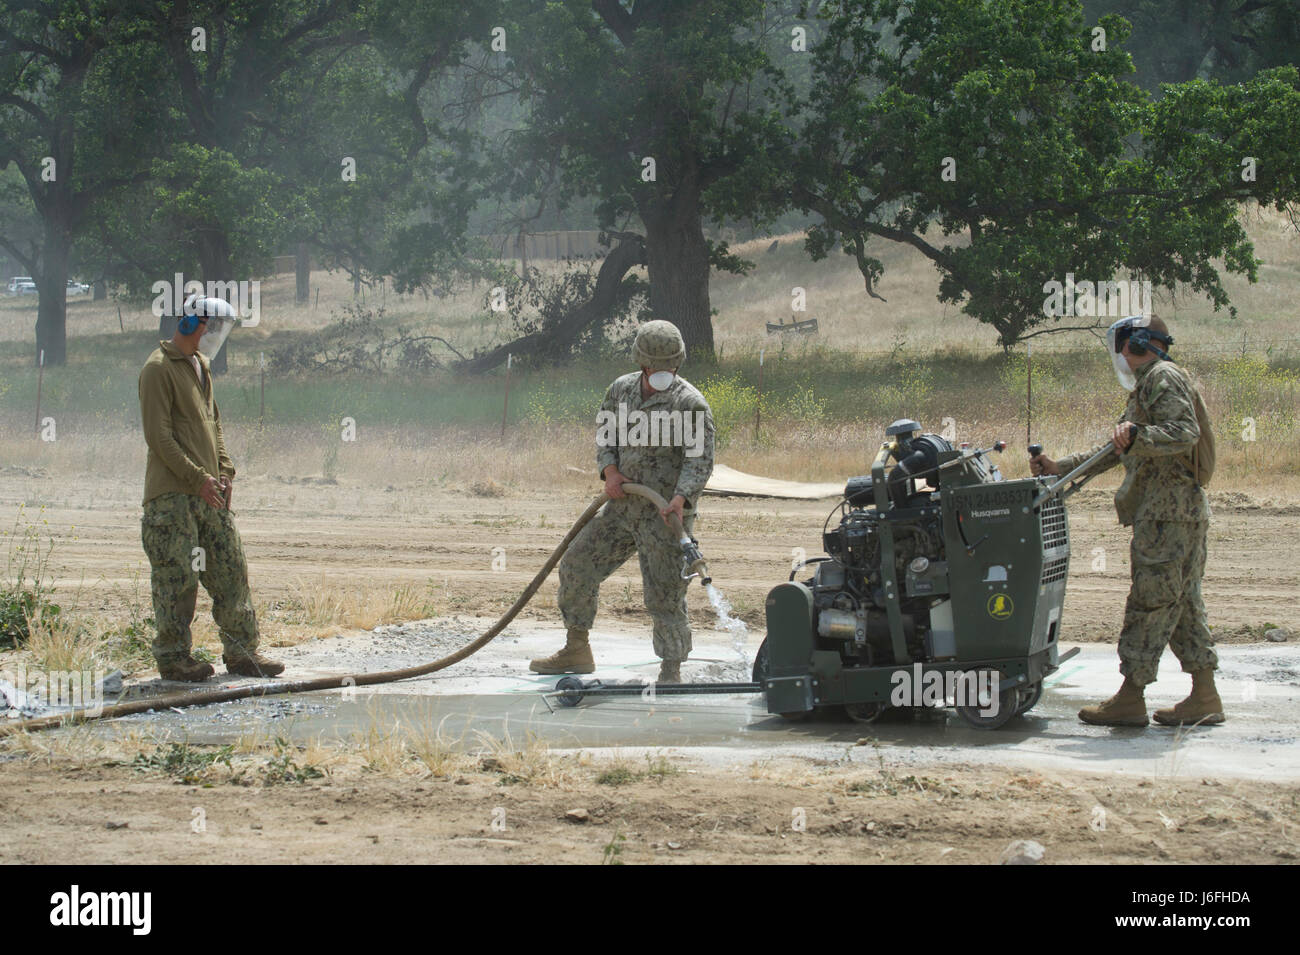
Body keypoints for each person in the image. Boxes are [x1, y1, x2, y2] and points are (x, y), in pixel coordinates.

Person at [1031, 315, 1221, 727]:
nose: (1119, 355)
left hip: (1166, 516)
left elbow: (1184, 432)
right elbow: (1116, 450)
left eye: (1122, 346)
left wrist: (1140, 435)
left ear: (1136, 344)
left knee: (1149, 604)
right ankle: (1206, 696)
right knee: (1183, 604)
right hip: (1175, 515)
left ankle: (1130, 698)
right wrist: (1058, 467)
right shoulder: (1152, 383)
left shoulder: (1160, 377)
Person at [530, 320, 715, 683]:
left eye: (670, 366)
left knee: (664, 594)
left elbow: (700, 461)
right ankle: (577, 648)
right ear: (642, 363)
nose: (664, 372)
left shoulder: (690, 404)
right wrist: (610, 472)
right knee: (577, 565)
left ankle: (671, 670)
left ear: (678, 364)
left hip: (665, 516)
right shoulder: (621, 390)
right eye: (656, 365)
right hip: (622, 508)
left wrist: (680, 499)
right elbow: (606, 436)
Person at [138, 296, 282, 682]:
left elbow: (213, 425)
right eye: (210, 326)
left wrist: (224, 471)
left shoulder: (200, 367)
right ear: (188, 324)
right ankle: (173, 659)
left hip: (208, 492)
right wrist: (197, 478)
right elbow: (160, 438)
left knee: (231, 570)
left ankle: (242, 654)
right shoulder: (157, 369)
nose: (213, 336)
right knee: (177, 578)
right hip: (172, 498)